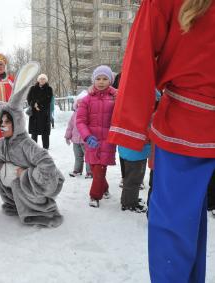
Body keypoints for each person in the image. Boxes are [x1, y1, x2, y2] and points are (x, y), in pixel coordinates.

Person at [107, 0, 215, 281]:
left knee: (175, 231)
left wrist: (130, 126)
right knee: (186, 226)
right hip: (189, 125)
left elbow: (141, 56)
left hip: (186, 130)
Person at [0, 62, 64, 227]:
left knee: (16, 180)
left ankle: (41, 210)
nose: (3, 125)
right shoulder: (0, 143)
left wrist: (26, 174)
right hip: (16, 180)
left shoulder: (25, 144)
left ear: (16, 122)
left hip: (46, 182)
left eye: (7, 121)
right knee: (2, 176)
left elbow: (47, 164)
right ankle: (16, 204)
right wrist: (2, 169)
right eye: (1, 121)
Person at [76, 65, 116, 208]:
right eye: (98, 78)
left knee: (100, 169)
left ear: (110, 80)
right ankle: (104, 188)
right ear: (93, 80)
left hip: (107, 141)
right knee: (94, 168)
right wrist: (87, 137)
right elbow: (80, 121)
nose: (101, 81)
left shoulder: (115, 97)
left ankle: (94, 196)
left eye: (105, 78)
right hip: (91, 141)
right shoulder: (86, 100)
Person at [64, 90, 92, 178]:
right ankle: (77, 170)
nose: (81, 104)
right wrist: (67, 137)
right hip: (76, 140)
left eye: (83, 102)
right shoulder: (74, 114)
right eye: (79, 102)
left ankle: (90, 172)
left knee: (88, 157)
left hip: (86, 140)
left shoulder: (90, 114)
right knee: (78, 157)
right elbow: (70, 126)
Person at [27, 74, 53, 149]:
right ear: (38, 80)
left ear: (46, 80)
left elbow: (48, 100)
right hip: (34, 113)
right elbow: (29, 98)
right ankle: (34, 147)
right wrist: (34, 105)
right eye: (41, 79)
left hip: (44, 113)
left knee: (45, 132)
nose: (42, 80)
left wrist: (39, 105)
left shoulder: (49, 89)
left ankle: (45, 147)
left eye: (44, 79)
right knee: (34, 132)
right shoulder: (33, 88)